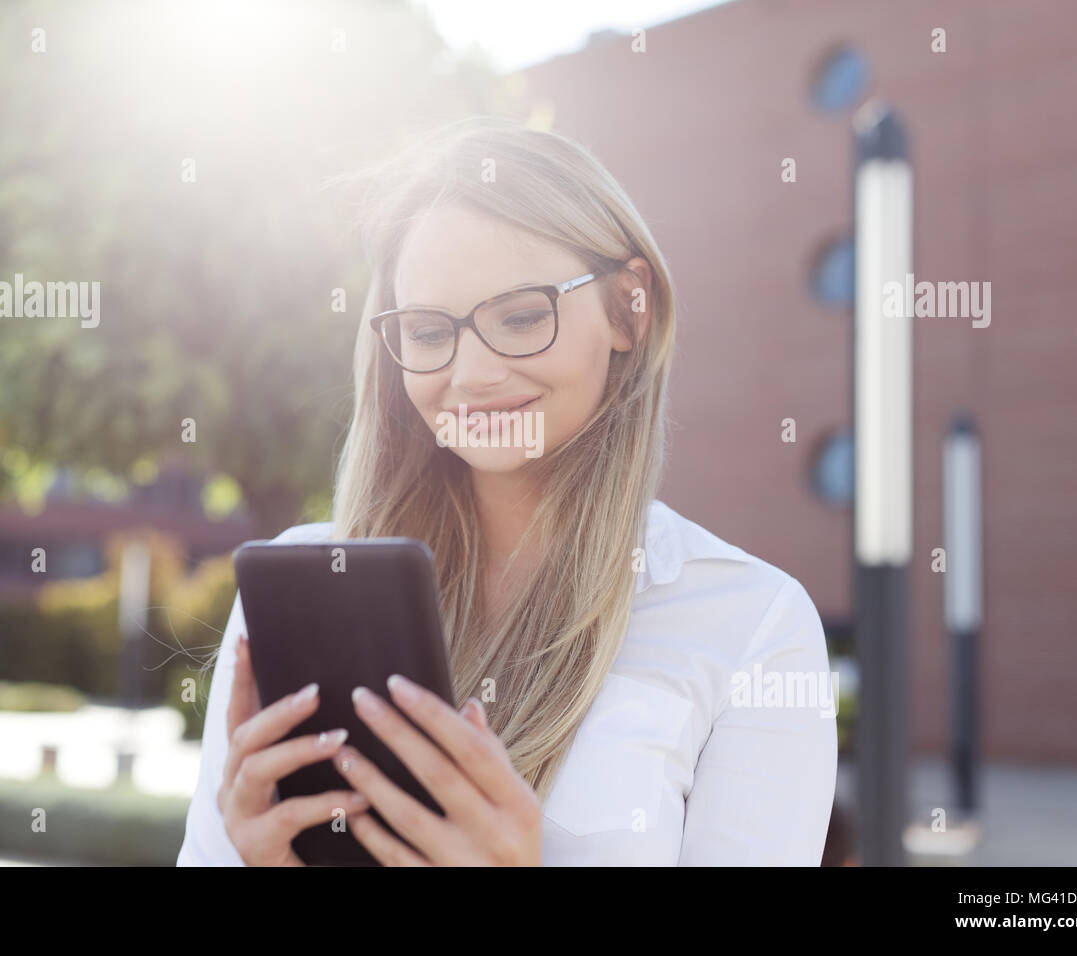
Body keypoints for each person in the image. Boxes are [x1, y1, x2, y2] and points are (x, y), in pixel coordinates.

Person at [178, 116, 837, 866]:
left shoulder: (752, 627)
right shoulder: (296, 590)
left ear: (630, 307)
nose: (473, 375)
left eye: (522, 317)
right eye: (429, 332)